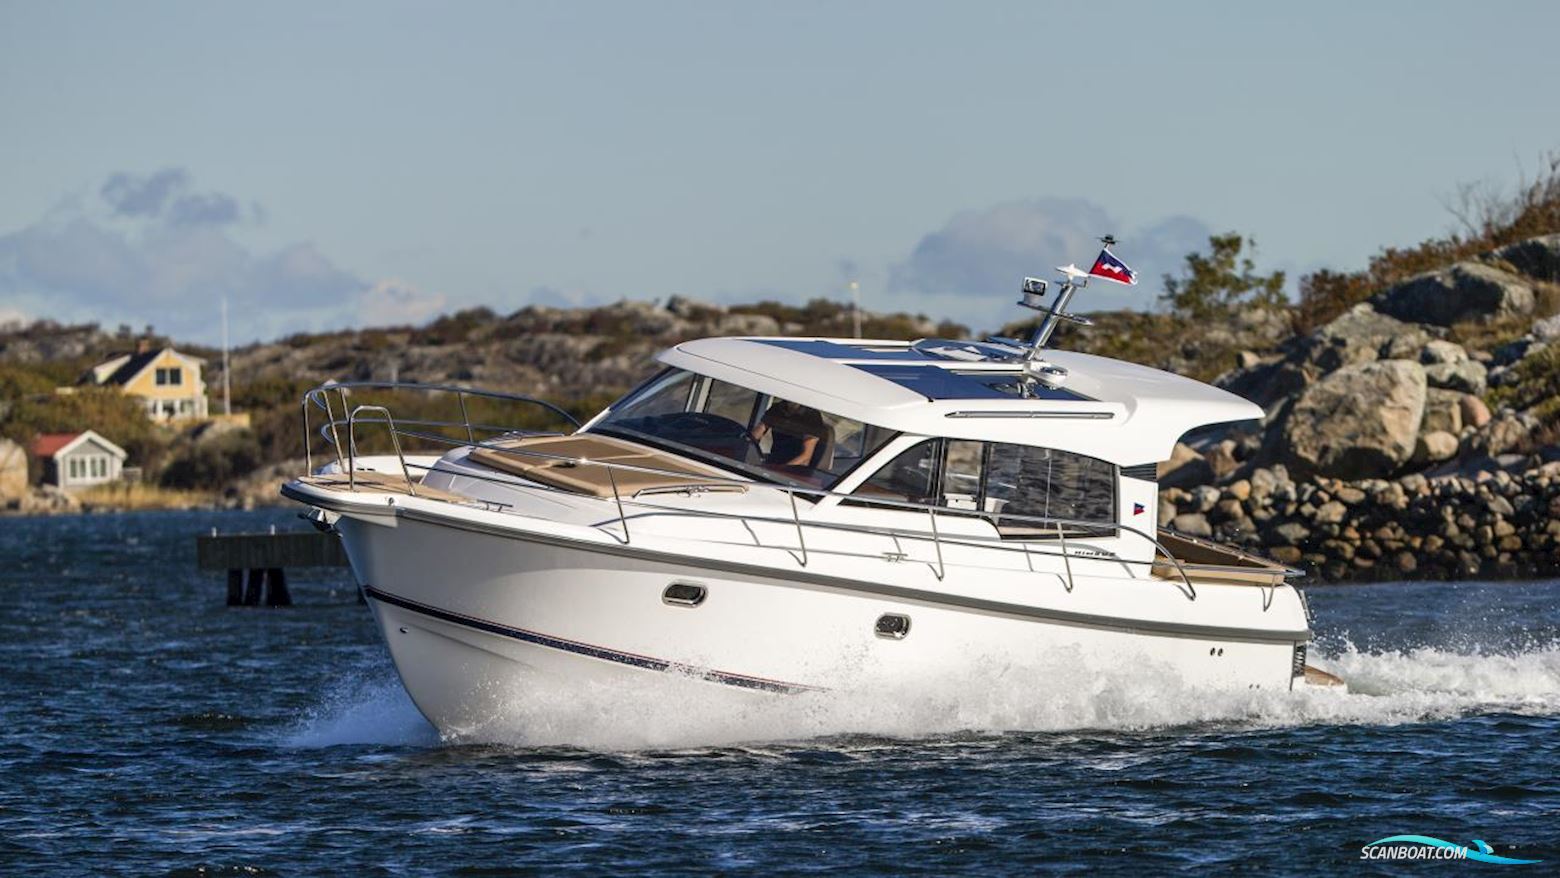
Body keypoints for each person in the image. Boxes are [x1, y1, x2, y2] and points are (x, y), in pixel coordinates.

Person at [751, 399, 827, 467]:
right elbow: (758, 431)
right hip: (775, 459)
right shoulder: (777, 408)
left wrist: (781, 469)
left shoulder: (812, 416)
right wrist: (748, 444)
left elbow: (806, 455)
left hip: (798, 468)